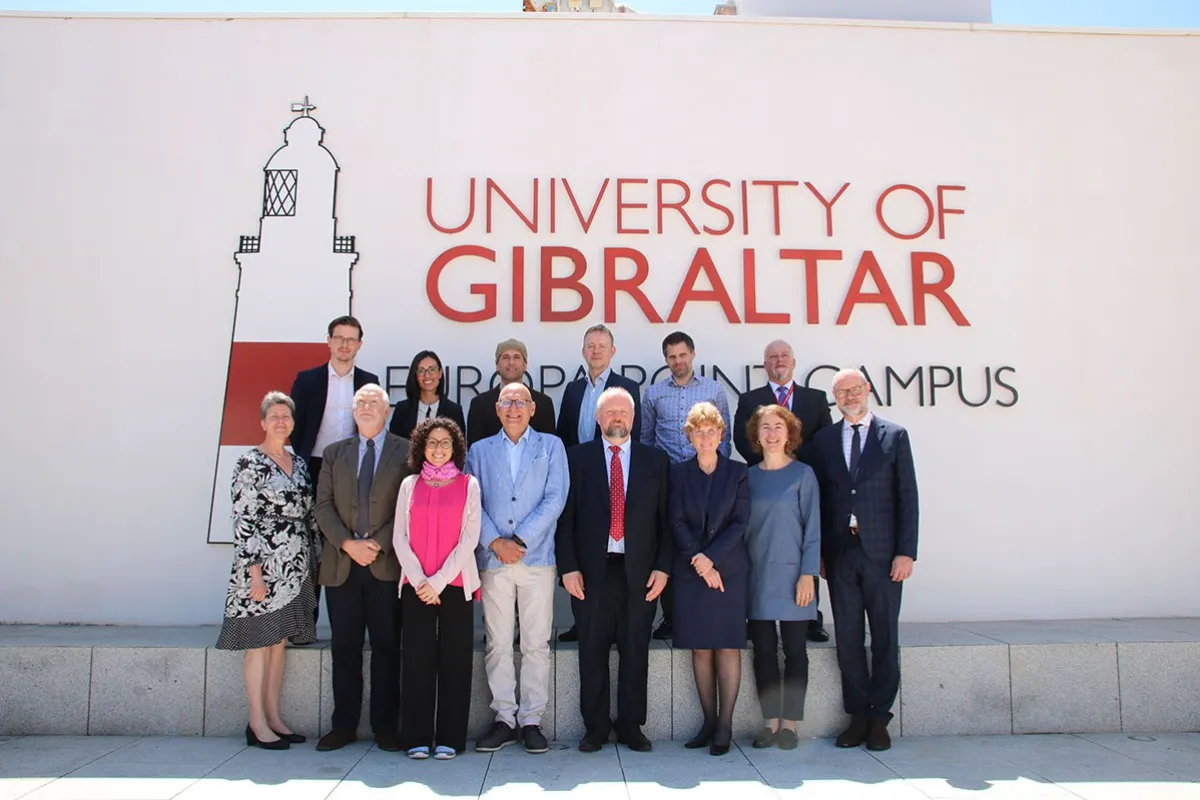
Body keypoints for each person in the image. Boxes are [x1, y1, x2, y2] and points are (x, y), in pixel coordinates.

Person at [557, 388, 670, 754]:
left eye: (623, 412)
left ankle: (631, 725)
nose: (617, 418)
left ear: (633, 419)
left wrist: (663, 569)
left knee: (636, 649)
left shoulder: (656, 461)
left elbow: (666, 523)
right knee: (592, 649)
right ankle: (595, 727)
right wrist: (569, 568)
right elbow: (565, 519)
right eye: (610, 413)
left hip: (640, 574)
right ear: (597, 418)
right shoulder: (576, 458)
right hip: (591, 572)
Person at [811, 368, 918, 752]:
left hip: (884, 555)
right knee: (849, 639)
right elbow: (819, 502)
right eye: (841, 392)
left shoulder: (894, 436)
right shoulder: (823, 441)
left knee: (885, 637)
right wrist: (820, 553)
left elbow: (908, 498)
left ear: (867, 390)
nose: (849, 396)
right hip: (841, 554)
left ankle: (880, 717)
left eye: (855, 389)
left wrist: (907, 552)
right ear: (835, 398)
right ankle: (857, 715)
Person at [465, 383, 568, 755]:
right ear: (497, 409)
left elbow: (556, 496)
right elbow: (471, 502)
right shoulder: (479, 451)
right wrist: (496, 542)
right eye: (507, 402)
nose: (514, 408)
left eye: (521, 402)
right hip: (493, 561)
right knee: (497, 643)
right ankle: (504, 718)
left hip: (536, 558)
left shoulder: (551, 446)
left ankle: (531, 720)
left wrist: (520, 541)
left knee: (536, 643)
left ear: (532, 408)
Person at [313, 384, 412, 752]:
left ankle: (385, 726)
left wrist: (379, 544)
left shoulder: (405, 450)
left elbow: (408, 504)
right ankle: (344, 725)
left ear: (387, 412)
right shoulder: (335, 452)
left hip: (385, 565)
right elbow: (322, 505)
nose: (367, 407)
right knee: (345, 648)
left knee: (387, 647)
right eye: (361, 402)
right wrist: (347, 543)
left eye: (375, 402)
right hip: (342, 566)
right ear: (353, 412)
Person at [216, 391, 318, 750]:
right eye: (273, 416)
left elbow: (308, 515)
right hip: (262, 568)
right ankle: (256, 722)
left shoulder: (299, 463)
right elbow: (243, 520)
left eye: (285, 416)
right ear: (262, 422)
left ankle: (274, 716)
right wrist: (254, 572)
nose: (280, 421)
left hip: (295, 566)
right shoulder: (249, 463)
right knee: (258, 644)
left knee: (278, 644)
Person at [733, 339, 832, 643]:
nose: (779, 361)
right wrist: (770, 464)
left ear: (793, 361)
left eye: (784, 356)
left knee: (806, 538)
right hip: (765, 479)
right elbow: (741, 438)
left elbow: (825, 439)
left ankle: (810, 617)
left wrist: (792, 464)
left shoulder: (815, 398)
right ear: (765, 364)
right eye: (772, 357)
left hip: (804, 480)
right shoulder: (751, 400)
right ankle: (757, 614)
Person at [392, 417, 480, 760]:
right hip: (417, 587)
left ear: (455, 448)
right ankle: (416, 737)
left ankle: (449, 738)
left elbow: (469, 537)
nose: (439, 448)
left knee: (455, 660)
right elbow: (399, 535)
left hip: (455, 584)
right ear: (421, 448)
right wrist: (420, 581)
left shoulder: (469, 484)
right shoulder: (409, 485)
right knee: (417, 660)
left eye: (445, 443)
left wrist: (440, 581)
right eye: (432, 443)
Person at [668, 401, 749, 756]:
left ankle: (725, 725)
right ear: (689, 436)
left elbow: (740, 522)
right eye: (697, 431)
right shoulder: (677, 473)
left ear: (721, 433)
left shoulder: (738, 472)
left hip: (728, 571)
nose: (704, 436)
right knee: (700, 647)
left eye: (711, 430)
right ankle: (707, 721)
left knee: (727, 646)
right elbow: (675, 521)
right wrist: (700, 562)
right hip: (690, 572)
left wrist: (712, 559)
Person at [639, 330, 731, 641]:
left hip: (703, 476)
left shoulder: (713, 390)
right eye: (671, 357)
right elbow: (646, 438)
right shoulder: (653, 394)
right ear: (665, 360)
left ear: (692, 354)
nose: (677, 361)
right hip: (667, 478)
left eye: (682, 355)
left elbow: (725, 437)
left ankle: (706, 608)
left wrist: (718, 475)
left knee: (703, 537)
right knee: (669, 542)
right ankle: (670, 616)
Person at [289, 315, 379, 630]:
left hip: (354, 472)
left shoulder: (369, 382)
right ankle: (304, 626)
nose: (344, 344)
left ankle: (349, 623)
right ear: (328, 340)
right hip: (313, 468)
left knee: (345, 541)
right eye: (339, 338)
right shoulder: (307, 380)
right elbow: (294, 427)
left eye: (351, 339)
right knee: (309, 546)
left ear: (360, 344)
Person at [555, 323, 642, 644]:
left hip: (613, 475)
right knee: (582, 546)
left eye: (602, 346)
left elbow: (637, 433)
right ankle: (583, 621)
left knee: (610, 554)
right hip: (579, 479)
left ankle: (614, 624)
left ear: (612, 351)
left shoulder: (627, 387)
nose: (595, 351)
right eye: (590, 346)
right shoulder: (574, 390)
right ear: (583, 351)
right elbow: (563, 434)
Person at [743, 404, 821, 751]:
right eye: (765, 427)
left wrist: (808, 574)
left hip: (794, 578)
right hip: (756, 577)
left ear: (789, 433)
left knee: (794, 652)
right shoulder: (748, 476)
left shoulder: (804, 474)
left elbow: (813, 531)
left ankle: (790, 723)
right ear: (756, 435)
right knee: (762, 652)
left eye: (778, 426)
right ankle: (769, 721)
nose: (771, 432)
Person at [466, 339, 556, 447]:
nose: (511, 362)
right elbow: (475, 451)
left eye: (517, 357)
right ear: (497, 366)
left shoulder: (543, 403)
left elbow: (548, 447)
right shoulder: (479, 404)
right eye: (505, 357)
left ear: (525, 365)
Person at [388, 350, 466, 439]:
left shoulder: (454, 411)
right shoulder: (402, 409)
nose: (427, 375)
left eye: (432, 369)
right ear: (415, 375)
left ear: (440, 373)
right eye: (421, 370)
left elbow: (459, 448)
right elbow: (394, 446)